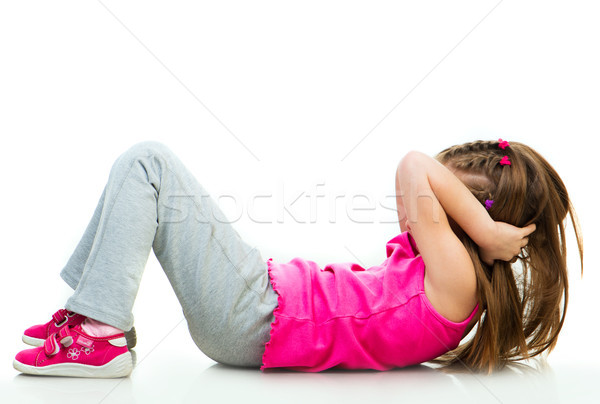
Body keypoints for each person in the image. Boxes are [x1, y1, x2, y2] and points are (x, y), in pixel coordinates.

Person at [13, 139, 583, 377]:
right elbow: (416, 181)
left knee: (148, 165)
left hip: (253, 315)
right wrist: (470, 218)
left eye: (450, 195)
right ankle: (89, 317)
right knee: (150, 173)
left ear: (479, 221)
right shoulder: (444, 278)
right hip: (259, 310)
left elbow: (413, 166)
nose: (425, 203)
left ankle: (99, 333)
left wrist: (482, 228)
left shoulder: (457, 278)